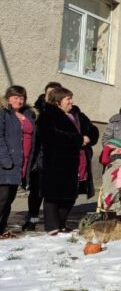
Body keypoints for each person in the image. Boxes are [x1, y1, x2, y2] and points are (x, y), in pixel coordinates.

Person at [37, 87, 99, 234]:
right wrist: (78, 139)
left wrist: (89, 137)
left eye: (71, 98)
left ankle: (62, 223)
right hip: (57, 161)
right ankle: (52, 227)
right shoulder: (48, 115)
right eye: (68, 99)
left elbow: (93, 129)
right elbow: (51, 135)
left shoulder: (77, 113)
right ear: (58, 101)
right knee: (53, 195)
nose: (71, 101)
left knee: (71, 194)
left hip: (79, 160)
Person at [0, 86, 36, 238]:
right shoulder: (4, 113)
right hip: (6, 164)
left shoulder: (28, 114)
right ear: (8, 98)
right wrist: (5, 160)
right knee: (2, 199)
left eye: (22, 97)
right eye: (15, 97)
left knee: (8, 200)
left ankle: (1, 229)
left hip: (21, 164)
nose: (19, 100)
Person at [24, 82, 60, 232]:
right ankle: (31, 220)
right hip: (38, 158)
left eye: (55, 93)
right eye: (49, 93)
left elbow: (88, 129)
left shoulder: (65, 111)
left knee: (51, 194)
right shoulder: (35, 111)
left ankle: (51, 224)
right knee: (36, 193)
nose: (51, 96)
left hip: (56, 159)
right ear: (44, 94)